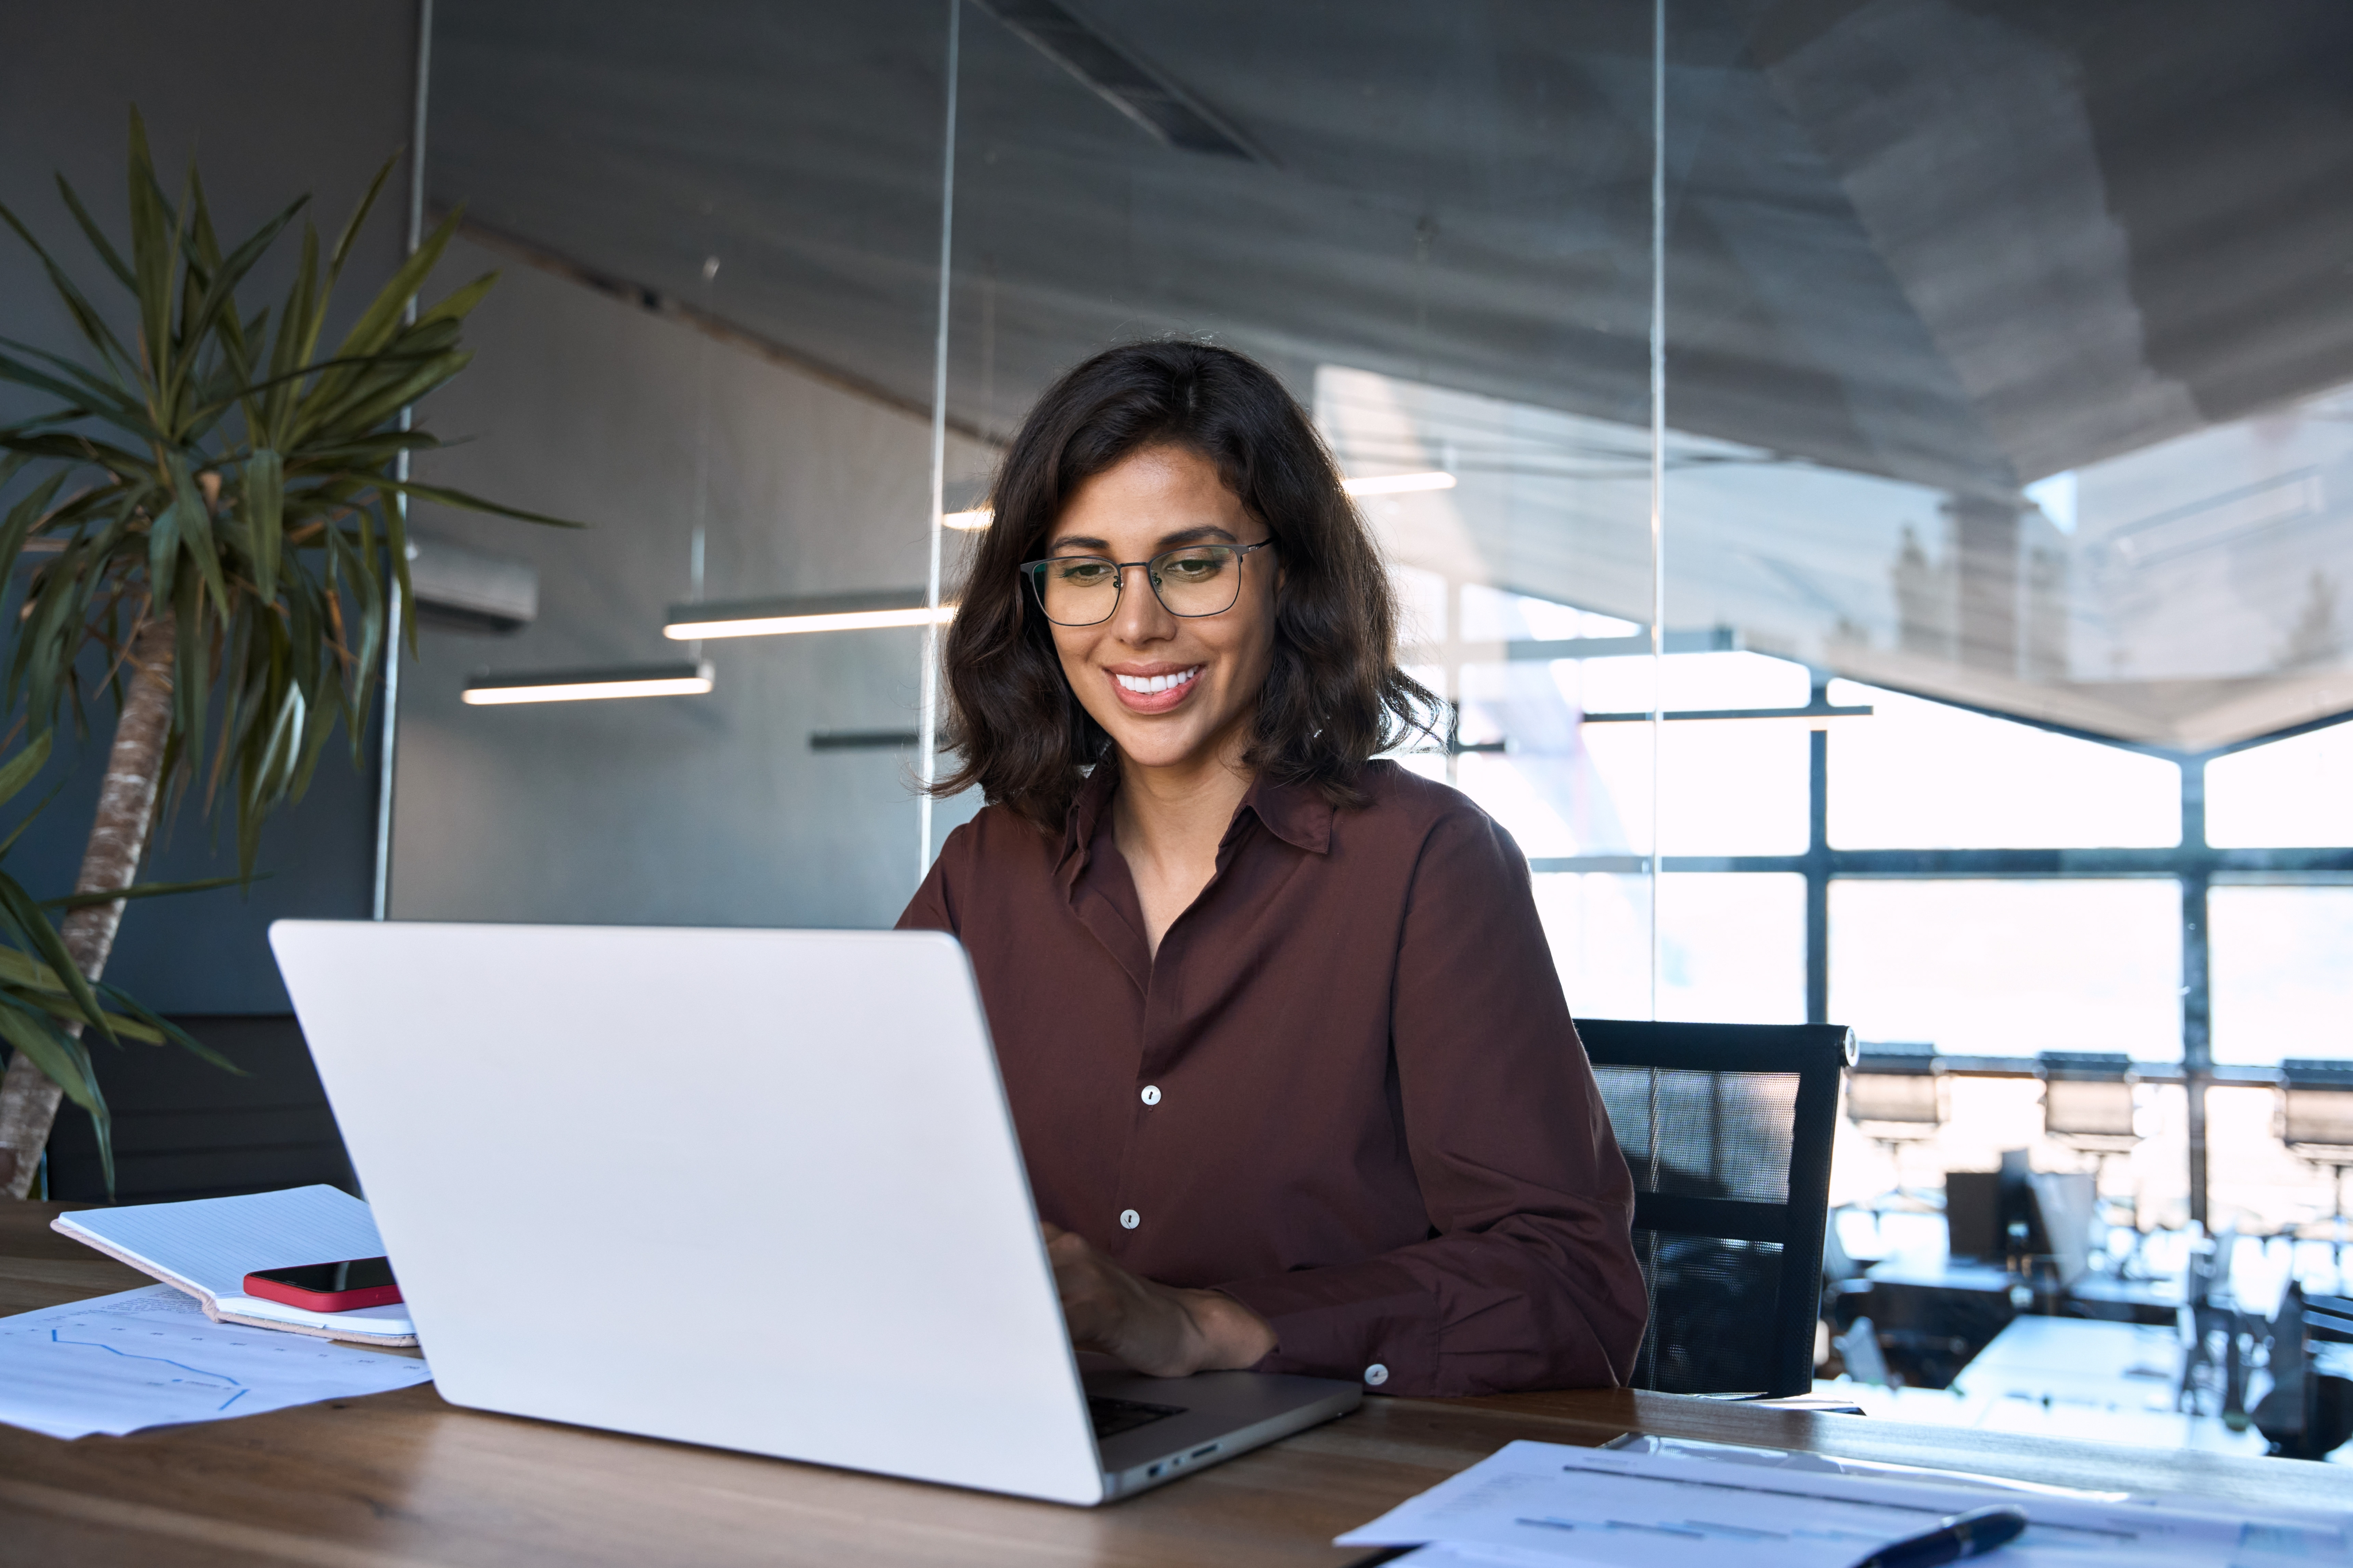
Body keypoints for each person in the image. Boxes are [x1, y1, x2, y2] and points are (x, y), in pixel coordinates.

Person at [898, 340, 1645, 1397]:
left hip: (1316, 1490)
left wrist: (1206, 1325)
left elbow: (1572, 1289)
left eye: (1193, 563)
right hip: (1034, 1458)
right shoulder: (986, 874)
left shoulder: (1425, 865)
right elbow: (865, 1185)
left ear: (1284, 574)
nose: (1136, 623)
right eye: (1084, 570)